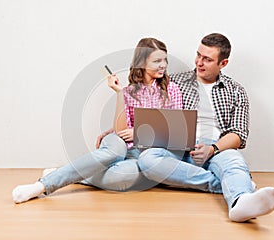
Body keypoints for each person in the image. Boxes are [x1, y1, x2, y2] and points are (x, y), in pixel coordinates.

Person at [12, 37, 183, 203]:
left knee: (125, 177)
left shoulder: (172, 90)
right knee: (114, 152)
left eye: (164, 60)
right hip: (121, 142)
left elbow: (177, 132)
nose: (163, 65)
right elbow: (121, 130)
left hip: (144, 153)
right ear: (142, 63)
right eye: (157, 61)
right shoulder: (129, 91)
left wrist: (140, 133)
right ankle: (42, 185)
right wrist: (119, 93)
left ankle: (71, 174)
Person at [137, 33, 274, 222]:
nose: (199, 62)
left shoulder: (235, 90)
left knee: (235, 163)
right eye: (198, 55)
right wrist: (124, 126)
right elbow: (145, 105)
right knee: (147, 159)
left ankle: (240, 204)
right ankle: (228, 186)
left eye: (207, 59)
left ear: (223, 64)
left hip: (217, 147)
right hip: (179, 148)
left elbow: (239, 134)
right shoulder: (173, 82)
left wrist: (212, 150)